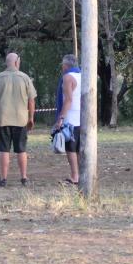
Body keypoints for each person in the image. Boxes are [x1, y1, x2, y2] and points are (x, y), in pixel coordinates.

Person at [0, 52, 37, 187]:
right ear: (17, 62)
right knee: (21, 149)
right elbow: (31, 100)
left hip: (3, 119)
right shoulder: (25, 78)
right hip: (21, 120)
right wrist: (31, 118)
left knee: (4, 149)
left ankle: (3, 179)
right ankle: (24, 178)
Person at [52, 53, 81, 185]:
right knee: (79, 148)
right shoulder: (83, 75)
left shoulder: (68, 77)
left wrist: (60, 118)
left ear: (65, 65)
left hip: (71, 117)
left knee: (71, 148)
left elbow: (68, 100)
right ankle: (80, 174)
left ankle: (75, 176)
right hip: (82, 117)